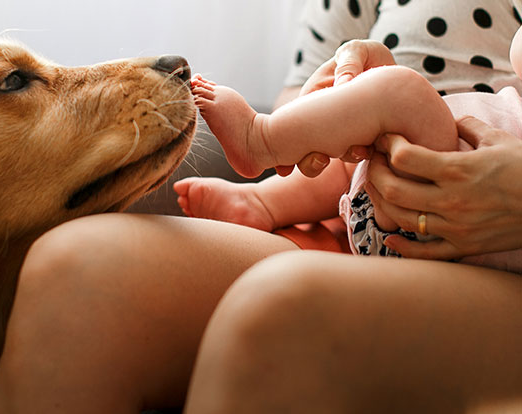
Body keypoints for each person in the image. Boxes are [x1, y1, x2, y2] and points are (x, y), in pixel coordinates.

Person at [0, 3, 522, 414]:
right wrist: (340, 97)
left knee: (286, 309)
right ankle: (265, 177)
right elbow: (312, 137)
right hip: (357, 218)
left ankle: (262, 143)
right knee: (77, 272)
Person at [176, 36, 522, 270]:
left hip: (448, 229)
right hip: (413, 206)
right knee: (357, 151)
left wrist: (382, 95)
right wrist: (348, 102)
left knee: (402, 95)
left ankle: (261, 140)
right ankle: (263, 202)